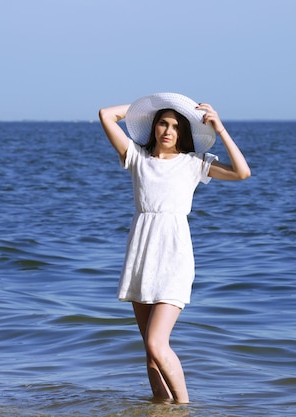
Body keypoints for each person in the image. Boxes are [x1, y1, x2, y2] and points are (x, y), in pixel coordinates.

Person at [99, 92, 251, 403]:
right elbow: (105, 114)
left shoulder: (193, 163)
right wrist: (146, 108)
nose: (169, 131)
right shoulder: (137, 157)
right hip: (141, 256)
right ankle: (161, 407)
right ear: (153, 127)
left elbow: (242, 173)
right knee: (150, 351)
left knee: (157, 343)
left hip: (173, 257)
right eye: (162, 123)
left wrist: (220, 128)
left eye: (176, 126)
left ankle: (184, 407)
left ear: (184, 132)